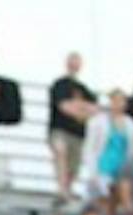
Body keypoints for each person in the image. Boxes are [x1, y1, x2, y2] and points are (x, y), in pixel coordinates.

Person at [47, 53, 98, 202]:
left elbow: (94, 110)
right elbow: (63, 106)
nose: (74, 64)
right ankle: (62, 190)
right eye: (72, 61)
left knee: (74, 165)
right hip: (60, 129)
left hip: (78, 133)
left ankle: (68, 190)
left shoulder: (85, 89)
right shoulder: (59, 84)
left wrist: (78, 107)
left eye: (77, 62)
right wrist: (81, 109)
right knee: (60, 152)